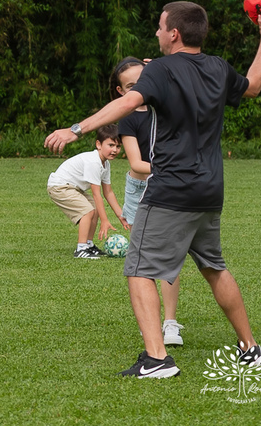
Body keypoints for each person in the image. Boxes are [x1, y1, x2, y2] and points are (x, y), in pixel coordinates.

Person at [45, 2, 261, 378]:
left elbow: (129, 101)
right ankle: (251, 349)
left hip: (172, 189)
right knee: (214, 268)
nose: (157, 33)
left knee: (139, 269)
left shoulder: (160, 69)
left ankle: (157, 359)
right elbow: (253, 86)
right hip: (210, 190)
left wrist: (76, 129)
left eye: (160, 27)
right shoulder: (218, 67)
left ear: (174, 33)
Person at [112, 57, 184, 347]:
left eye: (143, 79)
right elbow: (137, 164)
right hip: (141, 189)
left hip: (168, 185)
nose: (140, 87)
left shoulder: (167, 108)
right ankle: (151, 323)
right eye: (131, 85)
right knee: (145, 262)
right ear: (121, 91)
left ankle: (170, 323)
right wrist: (175, 168)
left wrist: (169, 69)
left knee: (169, 257)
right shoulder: (128, 119)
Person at [46, 124, 126, 258]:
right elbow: (96, 194)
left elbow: (108, 192)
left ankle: (88, 245)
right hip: (59, 186)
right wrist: (105, 220)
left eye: (118, 146)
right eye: (111, 145)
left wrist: (121, 216)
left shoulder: (105, 164)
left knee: (95, 210)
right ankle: (81, 248)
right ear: (98, 144)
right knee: (88, 211)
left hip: (72, 187)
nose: (115, 150)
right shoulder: (93, 162)